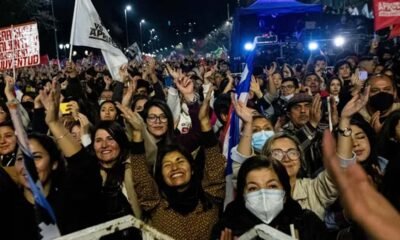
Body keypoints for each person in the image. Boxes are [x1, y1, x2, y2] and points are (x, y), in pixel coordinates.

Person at [1, 80, 103, 238]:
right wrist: (9, 95)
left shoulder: (72, 199)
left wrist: (54, 123)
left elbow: (85, 167)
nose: (27, 165)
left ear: (54, 163)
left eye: (36, 157)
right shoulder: (9, 205)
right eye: (21, 159)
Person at [128, 91, 225, 240]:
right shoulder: (156, 205)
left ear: (192, 168)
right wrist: (137, 132)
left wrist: (205, 122)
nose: (174, 168)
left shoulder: (210, 196)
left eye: (180, 161)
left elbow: (214, 165)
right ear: (160, 174)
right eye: (167, 165)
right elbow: (140, 174)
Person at [213, 155, 330, 240]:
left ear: (284, 192)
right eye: (253, 188)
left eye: (272, 186)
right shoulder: (227, 229)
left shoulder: (306, 223)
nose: (263, 194)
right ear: (243, 195)